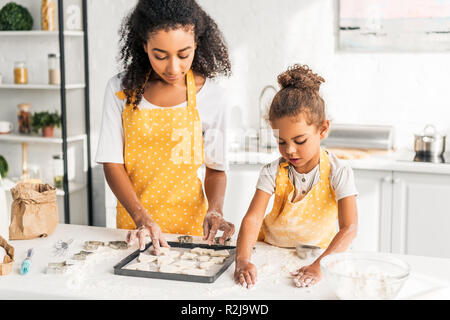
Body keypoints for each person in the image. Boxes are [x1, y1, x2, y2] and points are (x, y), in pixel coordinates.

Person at [96, 0, 235, 255]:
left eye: (184, 55)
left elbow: (216, 170)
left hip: (190, 228)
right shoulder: (120, 90)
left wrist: (215, 210)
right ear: (144, 46)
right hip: (135, 228)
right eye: (160, 55)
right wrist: (141, 217)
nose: (173, 68)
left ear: (196, 44)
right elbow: (111, 163)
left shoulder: (213, 97)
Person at [234, 64, 358, 289]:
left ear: (322, 129)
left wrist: (319, 266)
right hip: (271, 253)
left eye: (299, 141)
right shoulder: (272, 172)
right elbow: (252, 218)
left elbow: (349, 228)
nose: (289, 150)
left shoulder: (338, 171)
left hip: (320, 256)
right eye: (281, 141)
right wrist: (242, 260)